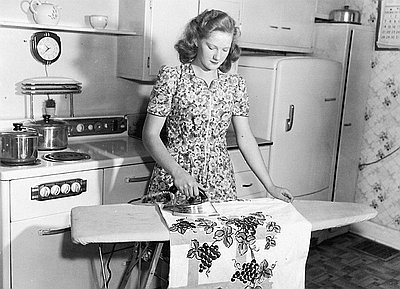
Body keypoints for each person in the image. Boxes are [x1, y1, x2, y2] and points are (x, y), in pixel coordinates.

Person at [142, 9, 293, 204]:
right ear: (196, 40)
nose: (218, 56)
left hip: (220, 183)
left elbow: (245, 138)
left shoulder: (234, 85)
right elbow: (150, 135)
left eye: (225, 49)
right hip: (176, 178)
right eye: (212, 47)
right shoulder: (172, 78)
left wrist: (270, 185)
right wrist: (177, 173)